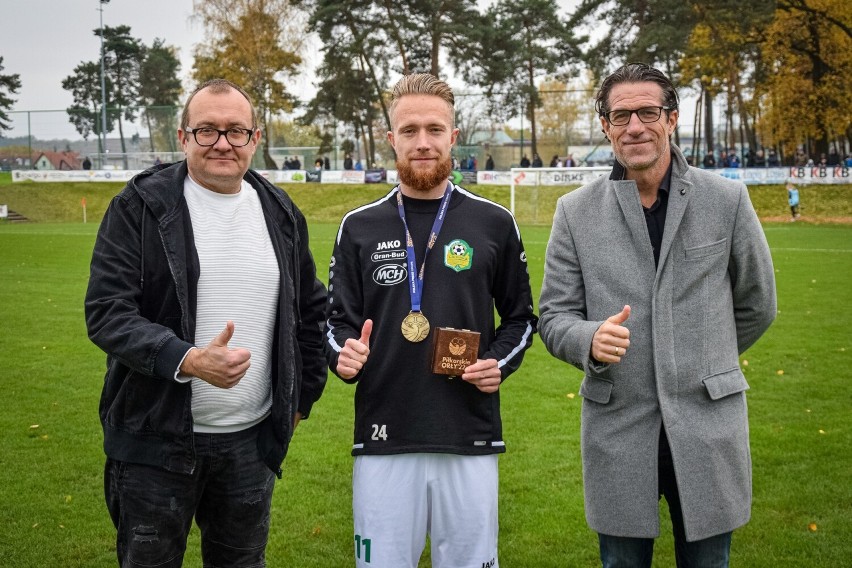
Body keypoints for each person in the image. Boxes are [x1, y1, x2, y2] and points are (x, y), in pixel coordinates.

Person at [538, 63, 777, 568]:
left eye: (648, 112)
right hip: (619, 428)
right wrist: (588, 340)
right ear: (605, 127)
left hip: (709, 424)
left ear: (671, 119)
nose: (634, 127)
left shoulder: (727, 199)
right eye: (620, 115)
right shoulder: (574, 212)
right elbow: (554, 316)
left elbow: (758, 304)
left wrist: (707, 356)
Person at [84, 78, 328, 567]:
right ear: (183, 137)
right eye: (207, 131)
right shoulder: (140, 206)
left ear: (255, 139)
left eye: (236, 131)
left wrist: (303, 396)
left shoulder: (280, 212)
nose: (222, 143)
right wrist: (188, 359)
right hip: (156, 443)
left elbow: (310, 310)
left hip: (250, 445)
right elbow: (107, 311)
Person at [324, 73, 537, 568]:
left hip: (469, 436)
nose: (423, 142)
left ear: (453, 138)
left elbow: (522, 318)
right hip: (384, 436)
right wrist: (344, 352)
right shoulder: (358, 226)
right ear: (390, 137)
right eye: (410, 130)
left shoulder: (494, 222)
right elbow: (334, 323)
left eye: (435, 130)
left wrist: (496, 364)